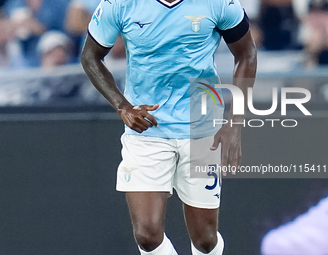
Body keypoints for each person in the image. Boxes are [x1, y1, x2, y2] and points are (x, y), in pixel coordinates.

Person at [81, 0, 257, 254]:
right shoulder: (120, 4)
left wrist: (235, 123)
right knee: (147, 235)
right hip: (147, 130)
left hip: (202, 129)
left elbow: (246, 53)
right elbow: (90, 56)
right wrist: (122, 106)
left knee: (205, 241)